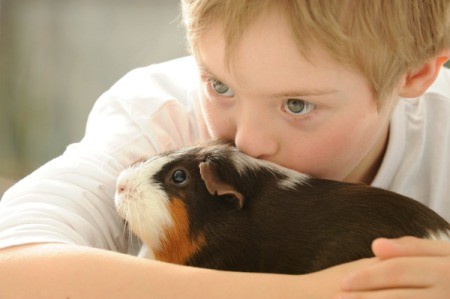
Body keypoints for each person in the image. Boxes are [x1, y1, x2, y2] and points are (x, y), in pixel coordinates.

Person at [1, 0, 450, 298]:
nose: (248, 139)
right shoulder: (160, 118)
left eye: (297, 104)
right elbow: (12, 267)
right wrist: (316, 292)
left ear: (412, 75)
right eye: (219, 85)